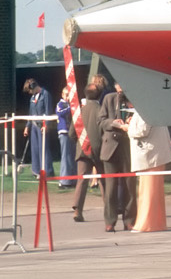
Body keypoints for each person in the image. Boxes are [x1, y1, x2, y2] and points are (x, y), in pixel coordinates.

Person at [97, 81, 137, 231]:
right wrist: (114, 123)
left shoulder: (135, 99)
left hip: (129, 148)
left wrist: (132, 122)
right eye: (119, 86)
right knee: (111, 188)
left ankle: (129, 220)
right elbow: (100, 121)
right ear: (115, 86)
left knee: (129, 186)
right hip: (110, 148)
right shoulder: (109, 98)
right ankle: (110, 221)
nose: (121, 90)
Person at [127, 104, 171, 231]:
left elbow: (142, 131)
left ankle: (146, 224)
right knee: (155, 192)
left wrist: (126, 127)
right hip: (155, 155)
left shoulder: (144, 109)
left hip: (150, 156)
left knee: (147, 192)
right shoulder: (154, 108)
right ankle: (157, 223)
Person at [71, 76, 107, 222]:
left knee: (82, 180)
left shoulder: (79, 113)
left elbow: (72, 133)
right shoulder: (102, 111)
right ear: (100, 95)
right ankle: (108, 210)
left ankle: (77, 210)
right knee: (104, 180)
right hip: (100, 151)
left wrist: (80, 142)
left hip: (82, 150)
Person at [24, 79, 52, 179]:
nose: (29, 93)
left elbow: (48, 111)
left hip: (42, 125)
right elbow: (30, 113)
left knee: (43, 148)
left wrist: (46, 125)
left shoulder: (45, 95)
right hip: (34, 125)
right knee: (35, 149)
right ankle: (36, 171)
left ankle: (47, 171)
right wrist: (27, 126)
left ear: (33, 87)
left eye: (29, 90)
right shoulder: (32, 98)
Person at [56, 87, 76, 190]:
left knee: (72, 156)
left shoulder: (72, 105)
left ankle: (72, 179)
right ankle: (63, 181)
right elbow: (60, 113)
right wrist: (70, 108)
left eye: (69, 95)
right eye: (66, 95)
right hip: (64, 132)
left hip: (71, 133)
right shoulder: (60, 104)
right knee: (65, 156)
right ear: (62, 95)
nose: (68, 97)